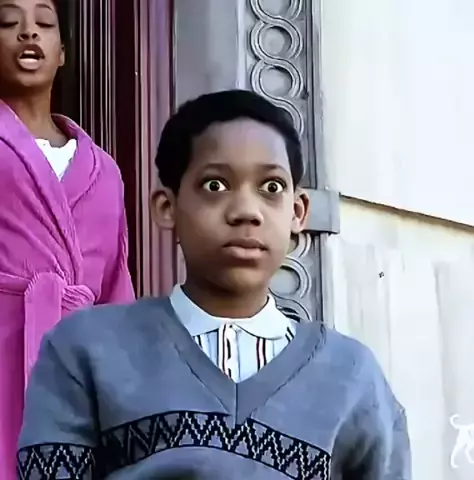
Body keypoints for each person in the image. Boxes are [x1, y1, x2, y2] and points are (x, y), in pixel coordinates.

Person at [16, 89, 411, 479]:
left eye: (271, 188)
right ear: (167, 206)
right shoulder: (85, 350)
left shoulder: (353, 377)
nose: (246, 212)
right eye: (215, 186)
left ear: (297, 211)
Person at [0, 0, 135, 476]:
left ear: (61, 52)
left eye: (44, 22)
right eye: (8, 22)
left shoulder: (104, 172)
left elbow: (116, 291)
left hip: (79, 370)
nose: (28, 32)